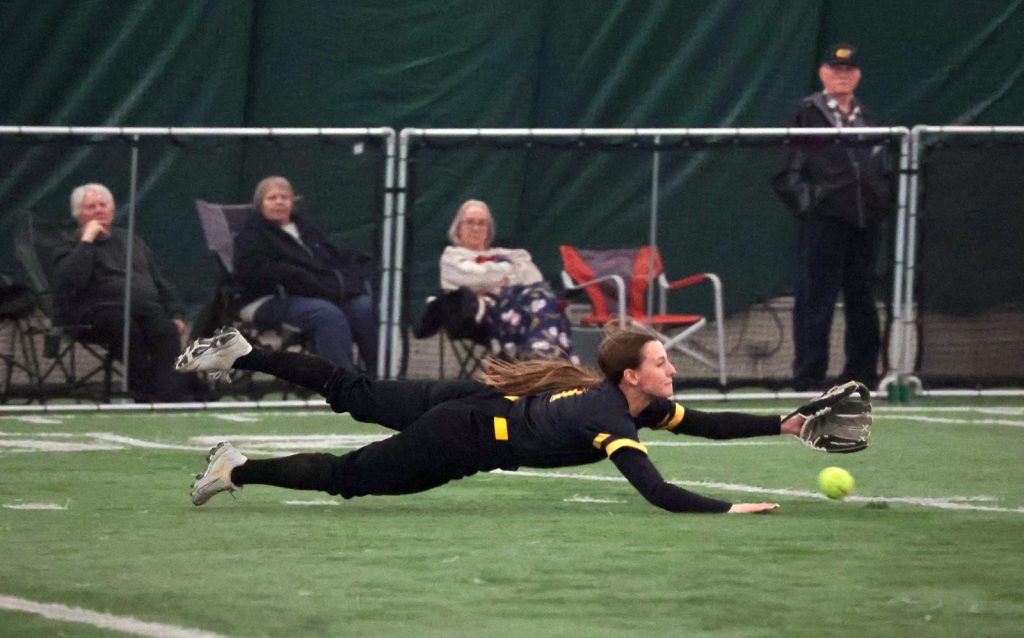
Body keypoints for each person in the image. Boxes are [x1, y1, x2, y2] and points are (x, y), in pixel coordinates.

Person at [177, 324, 815, 514]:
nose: (670, 368)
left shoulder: (634, 403)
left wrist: (785, 423)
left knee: (354, 389)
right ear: (630, 376)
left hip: (476, 405)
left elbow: (708, 423)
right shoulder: (612, 419)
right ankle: (236, 467)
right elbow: (659, 492)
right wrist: (730, 508)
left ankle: (245, 353)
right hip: (463, 436)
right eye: (659, 361)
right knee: (348, 477)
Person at [772, 43, 895, 391]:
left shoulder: (867, 118)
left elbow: (884, 167)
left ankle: (862, 374)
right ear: (823, 73)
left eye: (848, 70)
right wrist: (813, 204)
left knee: (863, 298)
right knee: (816, 297)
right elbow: (786, 172)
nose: (842, 75)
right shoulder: (806, 114)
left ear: (858, 75)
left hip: (865, 223)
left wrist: (879, 201)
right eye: (835, 69)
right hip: (823, 223)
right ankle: (809, 377)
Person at [52, 183, 193, 402]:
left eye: (103, 205)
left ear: (112, 209)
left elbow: (158, 280)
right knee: (124, 325)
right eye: (91, 207)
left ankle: (170, 395)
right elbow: (70, 281)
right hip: (93, 314)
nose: (98, 210)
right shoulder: (69, 243)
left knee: (165, 329)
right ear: (78, 214)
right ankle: (145, 391)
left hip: (143, 310)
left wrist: (176, 312)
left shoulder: (130, 240)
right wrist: (86, 241)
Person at [233, 176, 377, 374]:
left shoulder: (306, 228)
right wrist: (290, 273)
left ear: (292, 202)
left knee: (365, 308)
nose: (279, 202)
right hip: (269, 297)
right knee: (327, 315)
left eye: (284, 197)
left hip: (317, 292)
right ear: (260, 204)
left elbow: (330, 257)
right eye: (272, 198)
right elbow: (248, 271)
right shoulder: (251, 233)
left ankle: (378, 377)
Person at [440, 199, 577, 363]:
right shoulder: (452, 257)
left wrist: (498, 280)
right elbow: (471, 278)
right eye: (470, 222)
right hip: (479, 316)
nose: (476, 228)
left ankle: (538, 355)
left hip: (522, 306)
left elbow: (534, 277)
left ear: (488, 230)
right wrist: (508, 272)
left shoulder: (513, 255)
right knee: (544, 304)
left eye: (482, 223)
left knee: (540, 296)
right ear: (458, 228)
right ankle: (545, 357)